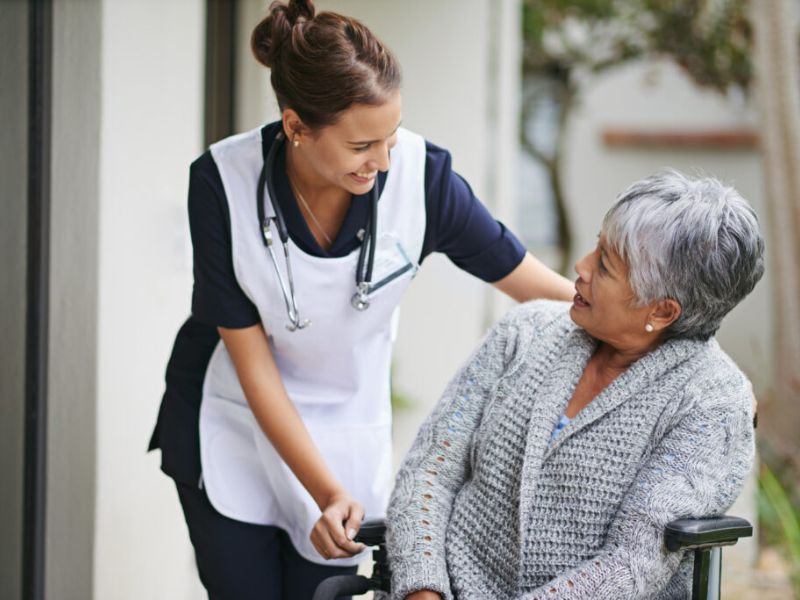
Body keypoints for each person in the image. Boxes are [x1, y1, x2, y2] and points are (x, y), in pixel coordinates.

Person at [147, 1, 573, 598]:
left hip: (346, 424)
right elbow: (253, 367)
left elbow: (532, 284)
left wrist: (659, 334)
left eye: (391, 138)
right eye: (361, 146)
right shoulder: (222, 183)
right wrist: (325, 491)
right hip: (233, 419)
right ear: (296, 127)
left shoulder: (423, 179)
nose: (383, 161)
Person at [386, 170, 764, 600]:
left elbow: (631, 565)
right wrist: (423, 589)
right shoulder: (525, 330)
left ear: (661, 312)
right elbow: (431, 469)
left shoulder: (711, 403)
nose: (580, 268)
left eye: (604, 265)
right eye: (596, 246)